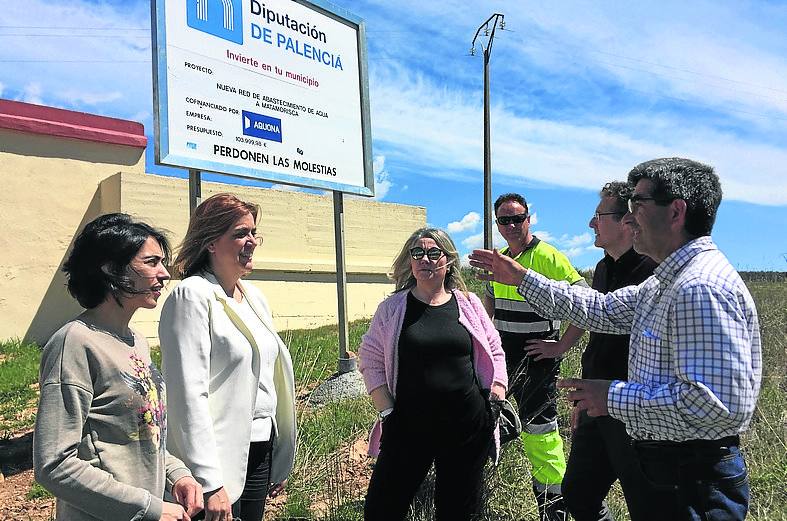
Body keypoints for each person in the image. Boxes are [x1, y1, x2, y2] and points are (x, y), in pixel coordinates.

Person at [470, 158, 762, 521]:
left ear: (676, 211)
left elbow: (715, 407)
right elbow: (603, 310)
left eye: (637, 204)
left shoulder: (699, 288)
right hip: (672, 464)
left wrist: (611, 396)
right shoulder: (666, 282)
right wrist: (522, 278)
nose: (629, 216)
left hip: (693, 475)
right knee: (581, 495)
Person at [33, 213, 203, 521]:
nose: (165, 273)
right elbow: (53, 464)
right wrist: (147, 508)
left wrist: (178, 475)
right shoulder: (74, 343)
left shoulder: (135, 340)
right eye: (151, 262)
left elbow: (142, 433)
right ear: (111, 269)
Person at [159, 193, 297, 521]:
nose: (251, 242)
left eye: (253, 233)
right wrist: (208, 480)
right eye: (240, 233)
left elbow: (265, 379)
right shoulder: (191, 295)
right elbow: (187, 393)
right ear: (210, 242)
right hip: (218, 458)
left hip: (260, 448)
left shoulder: (253, 298)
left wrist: (279, 453)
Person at [525, 182, 657, 521]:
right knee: (579, 492)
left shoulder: (651, 272)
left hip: (633, 408)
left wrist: (520, 278)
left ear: (628, 222)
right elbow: (594, 320)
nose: (590, 224)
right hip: (596, 402)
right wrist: (584, 401)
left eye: (598, 216)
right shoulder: (602, 268)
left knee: (645, 502)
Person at [359, 228, 507, 521]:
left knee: (458, 511)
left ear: (448, 260)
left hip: (467, 424)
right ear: (410, 261)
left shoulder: (469, 303)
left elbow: (495, 349)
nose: (424, 259)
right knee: (381, 509)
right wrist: (387, 411)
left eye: (433, 252)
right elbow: (370, 359)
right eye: (417, 253)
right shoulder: (392, 308)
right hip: (408, 427)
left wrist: (496, 397)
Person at [482, 193, 587, 521]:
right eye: (504, 220)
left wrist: (560, 347)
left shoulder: (548, 257)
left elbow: (584, 305)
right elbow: (490, 304)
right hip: (501, 360)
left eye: (517, 218)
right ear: (497, 224)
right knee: (485, 416)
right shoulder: (499, 259)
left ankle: (553, 507)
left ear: (529, 219)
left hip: (538, 362)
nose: (511, 225)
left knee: (540, 432)